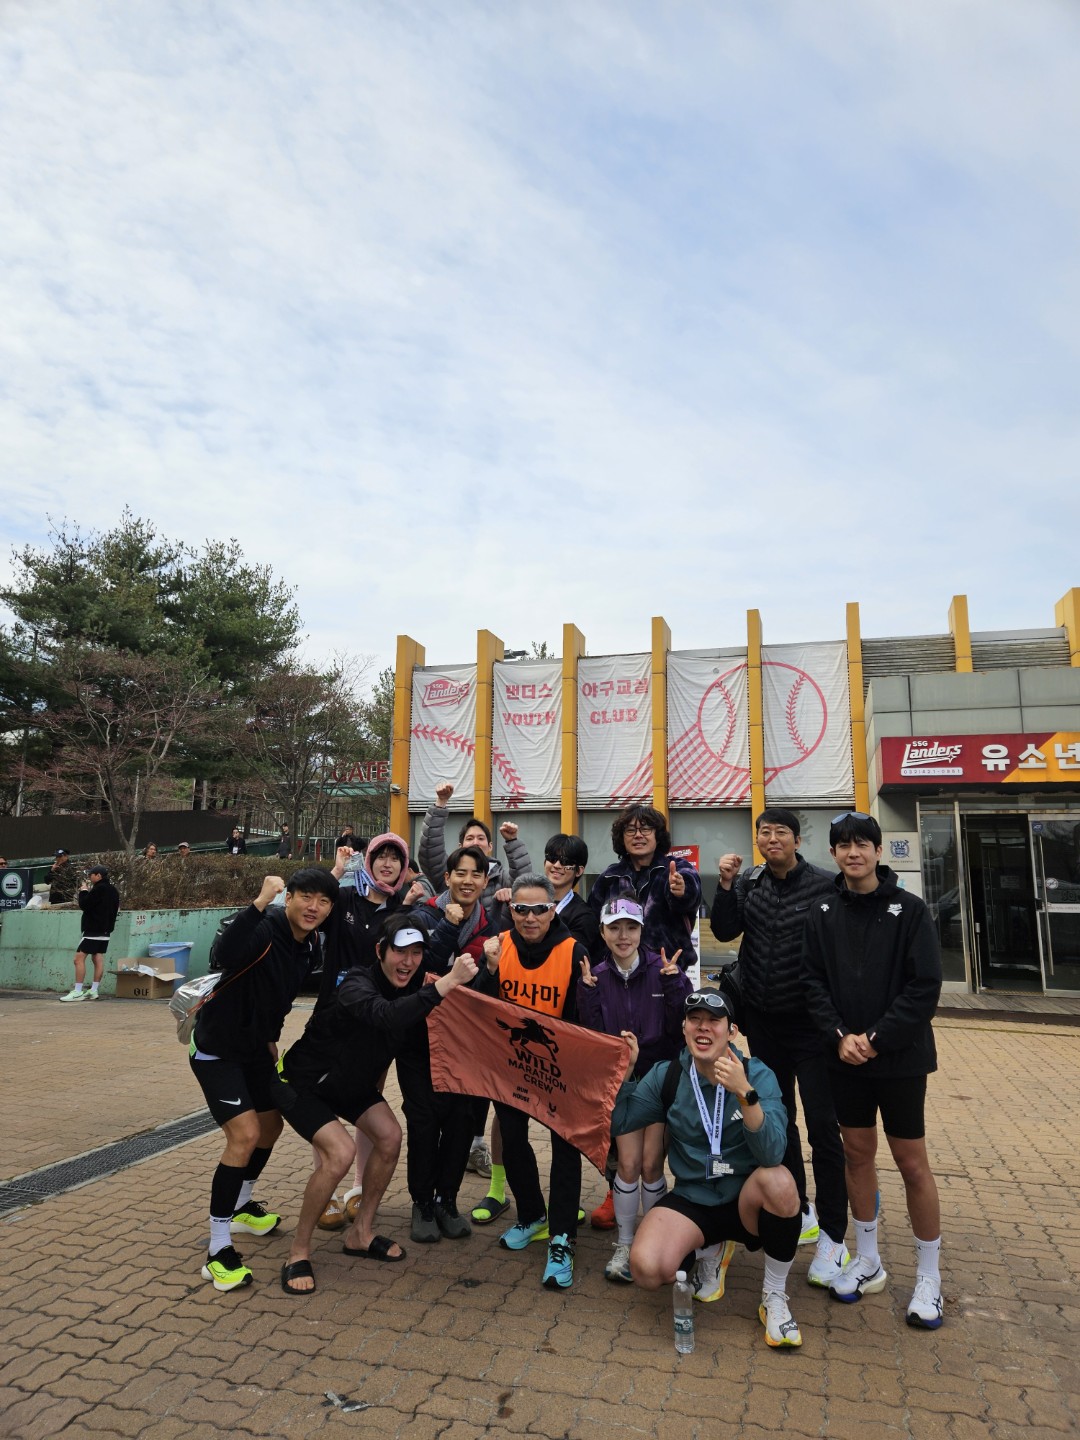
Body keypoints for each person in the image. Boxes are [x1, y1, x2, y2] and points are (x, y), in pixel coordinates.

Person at [275, 914, 485, 1293]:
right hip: (305, 1083)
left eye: (416, 953)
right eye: (400, 952)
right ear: (380, 951)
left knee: (390, 1137)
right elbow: (386, 1016)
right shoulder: (356, 982)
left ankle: (361, 1232)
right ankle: (298, 1252)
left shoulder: (415, 985)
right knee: (340, 1154)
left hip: (351, 1087)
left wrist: (488, 969)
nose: (408, 962)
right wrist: (447, 983)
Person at [802, 811, 945, 1329]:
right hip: (844, 1058)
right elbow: (812, 981)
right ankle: (867, 1259)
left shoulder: (910, 909)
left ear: (878, 851)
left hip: (900, 1059)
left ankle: (929, 1277)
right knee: (857, 1155)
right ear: (834, 854)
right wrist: (840, 1036)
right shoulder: (821, 910)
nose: (853, 852)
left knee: (911, 1162)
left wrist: (876, 1039)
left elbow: (924, 986)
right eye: (843, 845)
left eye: (862, 843)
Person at [614, 989, 804, 1348]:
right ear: (684, 1029)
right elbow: (620, 1123)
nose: (703, 1027)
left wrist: (744, 1094)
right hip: (693, 1199)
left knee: (780, 1183)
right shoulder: (668, 1075)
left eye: (714, 1021)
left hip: (745, 1201)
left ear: (731, 1031)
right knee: (646, 1269)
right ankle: (709, 1249)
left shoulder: (757, 1074)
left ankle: (774, 1295)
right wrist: (624, 1075)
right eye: (694, 1020)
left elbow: (773, 1153)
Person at [710, 807, 848, 1286]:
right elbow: (724, 930)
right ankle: (801, 1209)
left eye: (781, 832)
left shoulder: (826, 885)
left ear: (796, 839)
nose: (772, 839)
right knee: (778, 1121)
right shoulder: (750, 882)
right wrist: (725, 885)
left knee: (824, 1128)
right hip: (765, 1024)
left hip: (813, 1028)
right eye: (765, 832)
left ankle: (834, 1233)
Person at [187, 867, 337, 1291]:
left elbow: (279, 998)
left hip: (255, 1050)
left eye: (323, 901)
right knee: (245, 1135)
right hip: (217, 1050)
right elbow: (226, 954)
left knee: (270, 1126)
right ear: (288, 898)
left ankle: (240, 1205)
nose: (313, 907)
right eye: (305, 897)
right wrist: (258, 902)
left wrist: (270, 1037)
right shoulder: (266, 927)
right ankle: (218, 1249)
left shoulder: (310, 947)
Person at [484, 872, 591, 1290]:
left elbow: (585, 1019)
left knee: (565, 1148)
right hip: (510, 1066)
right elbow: (480, 1006)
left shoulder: (573, 951)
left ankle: (562, 1236)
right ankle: (531, 1215)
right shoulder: (498, 945)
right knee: (512, 1139)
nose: (530, 917)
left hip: (558, 1069)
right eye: (522, 909)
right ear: (511, 910)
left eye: (539, 909)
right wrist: (489, 970)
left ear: (553, 910)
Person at [577, 896, 691, 1282]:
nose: (623, 936)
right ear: (602, 932)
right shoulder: (596, 976)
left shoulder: (663, 968)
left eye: (630, 927)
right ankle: (625, 1244)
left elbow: (680, 1029)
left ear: (642, 931)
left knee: (651, 1164)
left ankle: (653, 1240)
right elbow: (594, 1036)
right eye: (614, 928)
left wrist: (674, 985)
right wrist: (587, 994)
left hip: (658, 1080)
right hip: (622, 1082)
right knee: (627, 1164)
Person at [400, 845, 496, 1243]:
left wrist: (492, 969)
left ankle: (447, 1200)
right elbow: (414, 970)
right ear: (447, 878)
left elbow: (486, 993)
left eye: (476, 874)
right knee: (423, 1123)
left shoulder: (491, 926)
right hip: (419, 1038)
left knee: (460, 1123)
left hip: (465, 1043)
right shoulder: (422, 917)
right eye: (461, 873)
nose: (467, 881)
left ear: (486, 881)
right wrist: (447, 927)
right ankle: (422, 1203)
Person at [587, 805, 701, 970]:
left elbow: (691, 891)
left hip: (666, 973)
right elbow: (593, 926)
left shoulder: (675, 868)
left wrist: (681, 890)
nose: (638, 835)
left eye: (646, 829)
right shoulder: (609, 877)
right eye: (630, 830)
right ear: (622, 838)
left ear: (658, 836)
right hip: (616, 974)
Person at [59, 865, 121, 1003]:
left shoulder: (99, 889)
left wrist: (84, 891)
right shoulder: (113, 890)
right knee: (97, 958)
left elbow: (84, 904)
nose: (89, 877)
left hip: (93, 930)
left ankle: (77, 991)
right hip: (106, 931)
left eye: (91, 874)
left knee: (78, 959)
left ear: (98, 875)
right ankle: (93, 990)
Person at [543, 833, 601, 959]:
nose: (557, 865)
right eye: (552, 858)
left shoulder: (584, 916)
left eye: (565, 861)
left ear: (579, 871)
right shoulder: (529, 902)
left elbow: (571, 957)